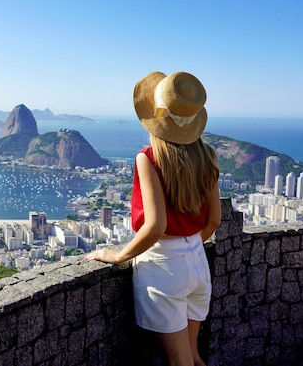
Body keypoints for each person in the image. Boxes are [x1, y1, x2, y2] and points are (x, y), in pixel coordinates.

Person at [85, 71, 221, 366]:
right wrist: (187, 247)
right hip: (197, 263)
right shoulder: (208, 155)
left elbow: (156, 226)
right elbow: (214, 221)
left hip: (163, 268)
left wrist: (118, 255)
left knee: (179, 362)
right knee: (194, 357)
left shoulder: (147, 158)